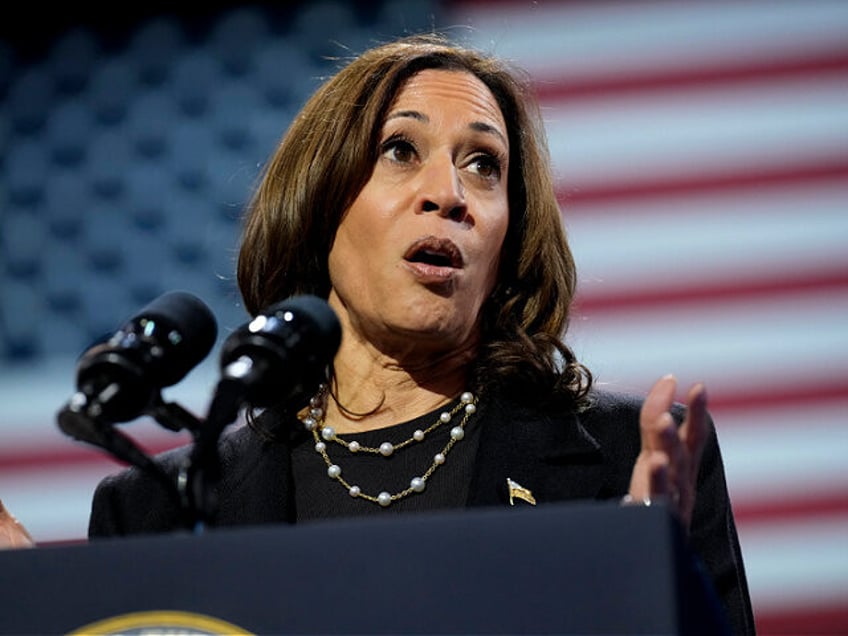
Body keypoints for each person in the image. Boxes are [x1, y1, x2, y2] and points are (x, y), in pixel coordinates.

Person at [4, 33, 755, 633]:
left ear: (509, 238)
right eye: (402, 150)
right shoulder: (154, 512)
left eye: (485, 166)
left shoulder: (626, 464)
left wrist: (649, 597)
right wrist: (41, 615)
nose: (450, 195)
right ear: (321, 200)